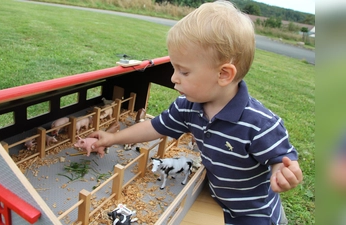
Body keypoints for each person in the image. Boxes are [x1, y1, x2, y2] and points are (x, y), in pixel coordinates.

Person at [89, 1, 303, 224]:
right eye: (174, 68)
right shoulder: (188, 106)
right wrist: (113, 138)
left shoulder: (259, 124)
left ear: (223, 74)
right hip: (217, 197)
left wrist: (283, 172)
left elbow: (282, 158)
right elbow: (154, 127)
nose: (173, 77)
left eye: (183, 71)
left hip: (253, 212)